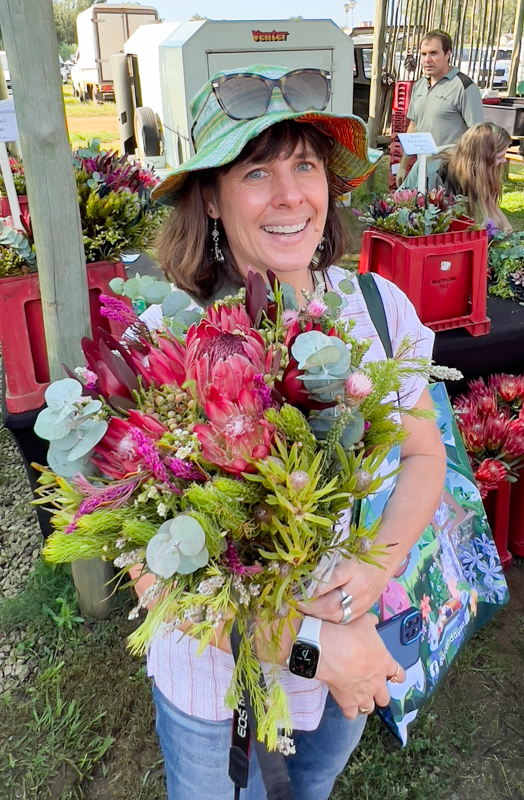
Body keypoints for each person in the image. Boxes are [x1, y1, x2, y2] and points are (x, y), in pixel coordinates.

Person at [132, 64, 446, 800]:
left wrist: (375, 570)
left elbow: (424, 452)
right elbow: (154, 578)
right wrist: (315, 650)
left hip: (348, 642)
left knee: (308, 792)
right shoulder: (163, 343)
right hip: (217, 690)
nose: (289, 195)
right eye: (256, 171)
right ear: (209, 194)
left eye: (304, 164)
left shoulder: (376, 309)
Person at [396, 29, 484, 188]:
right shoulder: (419, 86)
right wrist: (403, 166)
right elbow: (413, 126)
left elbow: (478, 134)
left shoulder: (464, 87)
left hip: (451, 173)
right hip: (422, 169)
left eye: (434, 53)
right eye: (423, 54)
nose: (427, 60)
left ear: (448, 53)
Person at [432, 122, 512, 232]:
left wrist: (508, 231)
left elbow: (491, 204)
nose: (503, 161)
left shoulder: (471, 166)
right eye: (499, 157)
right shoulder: (439, 172)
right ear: (482, 159)